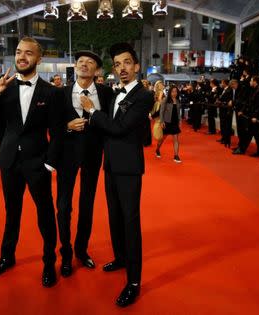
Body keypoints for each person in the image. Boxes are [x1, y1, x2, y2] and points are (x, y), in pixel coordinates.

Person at [0, 37, 64, 288]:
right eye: (18, 52)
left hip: (37, 162)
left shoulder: (51, 92)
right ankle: (7, 257)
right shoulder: (3, 89)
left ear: (38, 59)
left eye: (28, 53)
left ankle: (49, 261)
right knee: (12, 212)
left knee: (45, 213)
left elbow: (58, 132)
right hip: (9, 161)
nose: (22, 57)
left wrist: (49, 164)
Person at [81, 42, 153, 307]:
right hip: (109, 165)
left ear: (136, 66)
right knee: (115, 217)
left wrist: (91, 111)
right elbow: (105, 128)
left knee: (131, 223)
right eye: (117, 64)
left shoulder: (144, 95)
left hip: (129, 168)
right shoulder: (113, 93)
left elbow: (120, 128)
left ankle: (134, 281)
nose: (122, 68)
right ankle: (121, 257)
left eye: (126, 63)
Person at [56, 50, 113, 278]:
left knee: (87, 205)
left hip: (92, 155)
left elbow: (109, 123)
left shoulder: (106, 93)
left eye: (90, 63)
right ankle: (66, 253)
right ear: (75, 66)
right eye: (80, 61)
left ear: (97, 70)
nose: (84, 65)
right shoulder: (60, 94)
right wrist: (66, 126)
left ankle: (81, 249)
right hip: (66, 155)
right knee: (63, 206)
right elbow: (51, 124)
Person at [157, 85, 182, 162]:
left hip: (175, 122)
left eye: (176, 92)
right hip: (167, 122)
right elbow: (161, 111)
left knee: (176, 139)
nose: (174, 93)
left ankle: (176, 155)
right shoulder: (165, 100)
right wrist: (161, 121)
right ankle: (157, 149)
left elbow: (178, 112)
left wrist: (179, 120)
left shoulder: (178, 101)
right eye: (173, 91)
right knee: (162, 139)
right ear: (170, 92)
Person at [151, 80, 165, 157]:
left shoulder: (159, 93)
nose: (162, 85)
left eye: (162, 84)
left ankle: (158, 149)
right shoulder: (160, 93)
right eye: (160, 84)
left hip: (161, 112)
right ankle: (157, 149)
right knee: (162, 135)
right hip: (160, 111)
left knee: (163, 135)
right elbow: (160, 102)